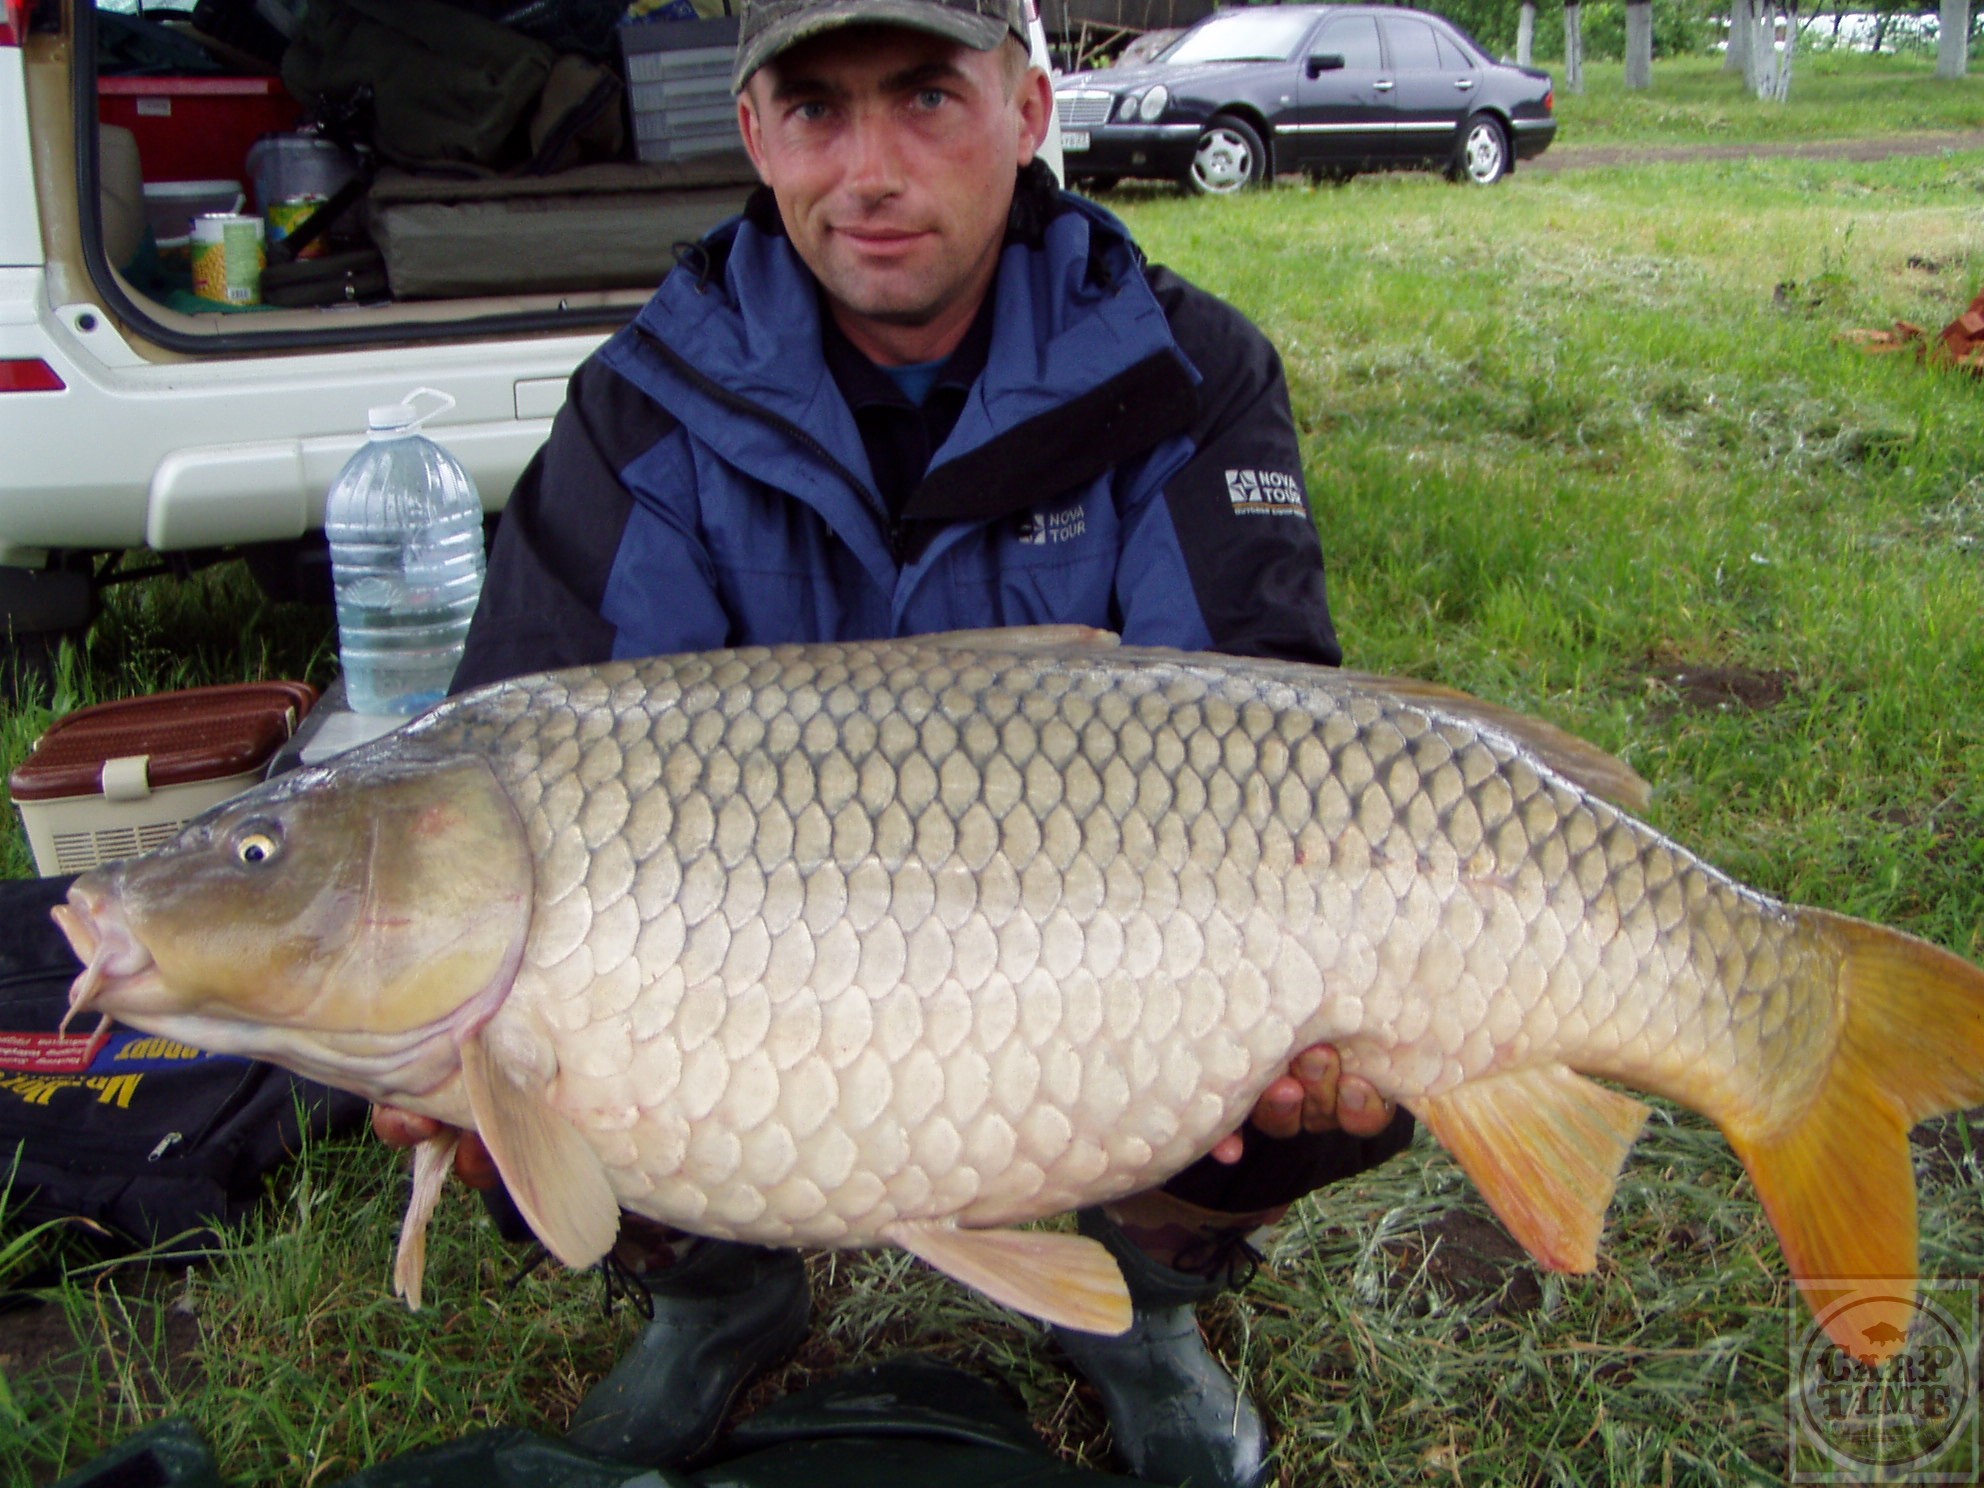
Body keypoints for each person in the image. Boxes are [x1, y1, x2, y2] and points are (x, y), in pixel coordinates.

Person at [376, 2, 1416, 1484]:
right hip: (762, 973)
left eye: (926, 98)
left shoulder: (1185, 371)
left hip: (1103, 954)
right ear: (754, 132)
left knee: (1330, 1034)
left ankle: (1148, 1298)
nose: (869, 170)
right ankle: (714, 1295)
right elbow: (516, 762)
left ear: (1028, 111)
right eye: (816, 109)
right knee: (509, 1023)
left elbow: (1268, 742)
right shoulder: (645, 407)